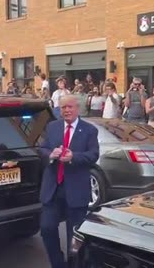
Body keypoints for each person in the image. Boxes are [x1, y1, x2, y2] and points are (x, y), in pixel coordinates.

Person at [39, 95, 99, 268]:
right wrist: (50, 155)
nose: (66, 110)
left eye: (70, 107)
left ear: (77, 108)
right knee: (47, 228)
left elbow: (93, 155)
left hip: (76, 191)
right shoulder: (53, 127)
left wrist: (74, 157)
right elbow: (42, 148)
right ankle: (58, 264)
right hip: (53, 188)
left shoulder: (89, 130)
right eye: (63, 107)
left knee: (74, 237)